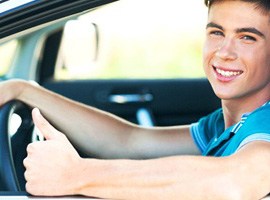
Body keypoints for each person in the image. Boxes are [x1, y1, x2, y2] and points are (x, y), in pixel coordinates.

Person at [1, 0, 270, 199]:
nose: (224, 52)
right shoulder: (225, 126)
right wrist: (24, 91)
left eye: (247, 37)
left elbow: (237, 180)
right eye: (217, 32)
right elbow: (128, 141)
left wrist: (76, 175)